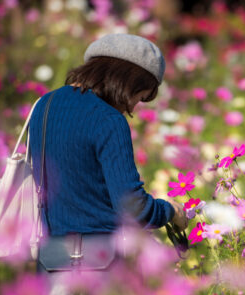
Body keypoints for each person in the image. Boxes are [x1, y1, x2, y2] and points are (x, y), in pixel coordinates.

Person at [28, 34, 187, 279]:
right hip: (101, 268)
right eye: (139, 96)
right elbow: (134, 207)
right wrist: (172, 211)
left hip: (50, 263)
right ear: (126, 80)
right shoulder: (108, 120)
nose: (134, 107)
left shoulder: (44, 105)